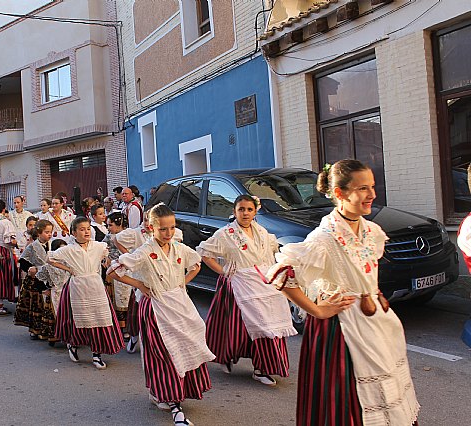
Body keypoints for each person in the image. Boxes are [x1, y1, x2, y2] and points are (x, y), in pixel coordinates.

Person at [266, 160, 419, 425]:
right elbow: (283, 274)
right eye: (362, 188)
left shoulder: (372, 231)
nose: (371, 194)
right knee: (349, 402)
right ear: (340, 194)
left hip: (377, 323)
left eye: (372, 186)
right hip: (342, 329)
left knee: (389, 394)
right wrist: (316, 309)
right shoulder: (324, 238)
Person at [107, 203, 214, 426]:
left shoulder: (179, 248)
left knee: (186, 346)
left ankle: (164, 393)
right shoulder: (145, 250)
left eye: (172, 228)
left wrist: (182, 283)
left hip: (179, 305)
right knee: (163, 352)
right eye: (163, 229)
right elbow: (114, 271)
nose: (168, 233)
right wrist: (139, 284)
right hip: (156, 307)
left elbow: (196, 263)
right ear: (151, 228)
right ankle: (173, 401)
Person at [197, 195, 296, 386]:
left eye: (249, 209)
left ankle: (262, 368)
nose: (245, 213)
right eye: (241, 209)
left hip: (262, 286)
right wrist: (223, 271)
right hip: (237, 285)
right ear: (234, 212)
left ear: (255, 212)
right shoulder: (226, 233)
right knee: (233, 329)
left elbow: (273, 252)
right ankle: (226, 356)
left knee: (267, 326)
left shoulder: (261, 232)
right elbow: (204, 252)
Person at [48, 217, 124, 369]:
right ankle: (73, 344)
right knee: (77, 320)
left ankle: (96, 354)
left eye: (88, 228)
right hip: (77, 286)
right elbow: (50, 258)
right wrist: (69, 269)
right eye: (81, 229)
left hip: (95, 286)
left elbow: (106, 258)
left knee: (99, 320)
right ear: (74, 233)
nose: (86, 232)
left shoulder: (98, 246)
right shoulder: (68, 249)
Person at [114, 211, 183, 353]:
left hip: (166, 282)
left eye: (149, 220)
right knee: (137, 315)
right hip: (144, 281)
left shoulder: (168, 234)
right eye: (145, 220)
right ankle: (134, 337)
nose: (147, 223)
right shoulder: (136, 234)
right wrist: (128, 255)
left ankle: (164, 345)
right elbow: (117, 240)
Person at [15, 220, 57, 342]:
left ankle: (48, 328)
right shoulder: (32, 246)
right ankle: (34, 329)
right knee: (36, 305)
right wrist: (29, 268)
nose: (49, 234)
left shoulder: (52, 244)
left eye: (50, 232)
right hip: (36, 279)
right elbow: (22, 260)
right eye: (46, 232)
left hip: (50, 277)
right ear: (39, 233)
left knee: (48, 304)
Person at [102, 212, 130, 336]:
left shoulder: (130, 235)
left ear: (120, 225)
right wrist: (105, 257)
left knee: (127, 298)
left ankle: (129, 327)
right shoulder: (108, 237)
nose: (108, 228)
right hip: (113, 271)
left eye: (111, 225)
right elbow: (102, 249)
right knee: (115, 298)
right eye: (107, 225)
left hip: (128, 270)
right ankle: (118, 327)